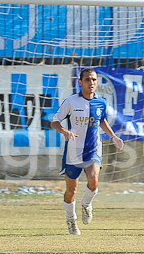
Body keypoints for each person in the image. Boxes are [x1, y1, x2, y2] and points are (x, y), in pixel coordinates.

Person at [50, 67, 124, 236]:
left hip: (93, 149)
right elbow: (54, 122)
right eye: (87, 80)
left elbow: (102, 121)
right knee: (71, 191)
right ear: (80, 82)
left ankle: (86, 204)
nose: (91, 83)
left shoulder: (101, 102)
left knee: (93, 180)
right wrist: (65, 131)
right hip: (73, 151)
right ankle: (71, 220)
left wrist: (114, 136)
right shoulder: (71, 101)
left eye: (94, 80)